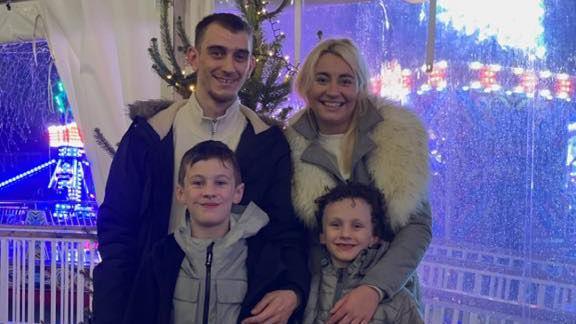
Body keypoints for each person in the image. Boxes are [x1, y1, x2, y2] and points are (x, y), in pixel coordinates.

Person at [94, 13, 309, 324]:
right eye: (217, 52)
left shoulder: (268, 143)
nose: (228, 66)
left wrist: (294, 289)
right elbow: (118, 227)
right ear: (193, 57)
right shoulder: (149, 136)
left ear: (250, 66)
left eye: (240, 56)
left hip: (237, 307)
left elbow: (284, 229)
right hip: (155, 303)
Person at [285, 38, 431, 323]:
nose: (333, 91)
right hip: (320, 298)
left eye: (345, 81)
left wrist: (373, 288)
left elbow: (417, 227)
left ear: (360, 86)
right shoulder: (289, 145)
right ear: (306, 85)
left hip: (387, 300)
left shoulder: (398, 135)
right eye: (322, 79)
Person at [123, 140, 270, 324]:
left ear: (238, 193)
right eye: (198, 183)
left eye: (220, 183)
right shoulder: (161, 256)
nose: (209, 192)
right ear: (181, 193)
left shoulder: (259, 256)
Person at [303, 182, 424, 324]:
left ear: (374, 237)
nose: (345, 234)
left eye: (357, 226)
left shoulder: (400, 301)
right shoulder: (308, 286)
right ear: (322, 236)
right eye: (335, 225)